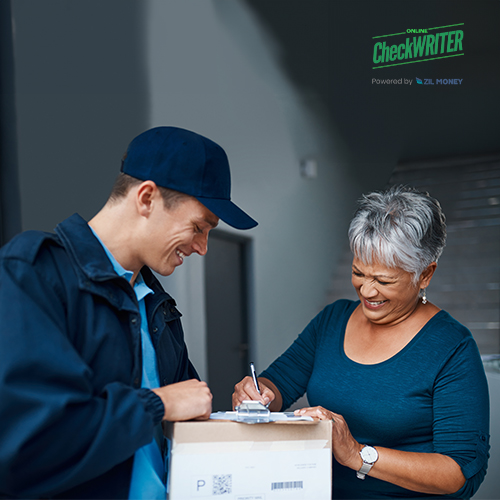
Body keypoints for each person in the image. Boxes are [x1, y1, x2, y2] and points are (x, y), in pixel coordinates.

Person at [0, 126, 257, 499]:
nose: (202, 247)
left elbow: (185, 418)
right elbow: (28, 445)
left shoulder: (157, 304)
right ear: (147, 197)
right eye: (199, 227)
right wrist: (158, 403)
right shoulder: (32, 273)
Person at [233, 185, 489, 499]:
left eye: (383, 280)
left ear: (425, 275)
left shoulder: (452, 347)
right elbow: (279, 384)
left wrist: (357, 454)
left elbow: (457, 472)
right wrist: (260, 394)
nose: (366, 291)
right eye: (358, 273)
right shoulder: (333, 320)